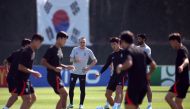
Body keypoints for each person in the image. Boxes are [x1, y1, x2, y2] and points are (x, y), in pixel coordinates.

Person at [117, 31, 157, 109]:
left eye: (121, 41)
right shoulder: (141, 51)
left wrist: (120, 67)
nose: (120, 44)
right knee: (135, 106)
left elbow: (129, 62)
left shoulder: (127, 50)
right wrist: (148, 74)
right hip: (143, 85)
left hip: (134, 85)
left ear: (124, 41)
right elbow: (154, 65)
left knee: (129, 106)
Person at [41, 31, 75, 109]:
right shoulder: (52, 49)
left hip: (57, 76)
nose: (65, 42)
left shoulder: (60, 50)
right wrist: (54, 68)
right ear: (59, 39)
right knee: (65, 94)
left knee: (63, 96)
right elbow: (43, 62)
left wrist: (66, 66)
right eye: (64, 40)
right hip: (52, 76)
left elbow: (58, 64)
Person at [95, 37, 127, 109]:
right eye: (112, 44)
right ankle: (115, 107)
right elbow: (106, 65)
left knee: (118, 91)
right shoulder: (111, 55)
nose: (113, 46)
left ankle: (115, 107)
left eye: (114, 44)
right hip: (114, 76)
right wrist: (99, 73)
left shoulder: (124, 53)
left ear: (119, 43)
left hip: (122, 75)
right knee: (107, 94)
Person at [67, 37, 97, 109]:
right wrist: (75, 60)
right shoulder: (75, 49)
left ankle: (81, 105)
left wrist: (88, 67)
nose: (82, 44)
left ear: (85, 43)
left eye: (84, 42)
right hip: (74, 72)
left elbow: (95, 60)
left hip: (82, 73)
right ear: (79, 42)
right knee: (71, 89)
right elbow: (71, 59)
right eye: (81, 42)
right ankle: (71, 104)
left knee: (82, 89)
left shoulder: (88, 51)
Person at [2, 38, 31, 109]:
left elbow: (5, 61)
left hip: (11, 78)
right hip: (17, 79)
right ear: (27, 45)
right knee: (27, 99)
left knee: (14, 97)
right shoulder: (26, 53)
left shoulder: (15, 53)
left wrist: (7, 70)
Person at [17, 34, 44, 109]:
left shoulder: (32, 52)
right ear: (35, 41)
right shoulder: (26, 51)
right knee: (27, 99)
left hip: (26, 79)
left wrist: (33, 72)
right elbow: (20, 67)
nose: (40, 44)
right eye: (40, 42)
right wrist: (33, 72)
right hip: (20, 79)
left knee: (33, 98)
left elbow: (26, 67)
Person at [165, 33, 189, 109]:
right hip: (184, 81)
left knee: (168, 98)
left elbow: (186, 60)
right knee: (178, 103)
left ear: (175, 41)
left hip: (181, 81)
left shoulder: (181, 50)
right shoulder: (182, 49)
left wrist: (181, 66)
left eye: (171, 42)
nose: (171, 44)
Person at [136, 34, 152, 109]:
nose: (138, 40)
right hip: (137, 72)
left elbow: (146, 60)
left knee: (147, 87)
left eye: (139, 39)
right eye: (138, 38)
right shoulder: (136, 48)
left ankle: (149, 105)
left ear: (143, 39)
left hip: (145, 72)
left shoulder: (147, 49)